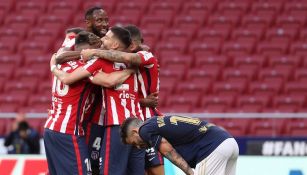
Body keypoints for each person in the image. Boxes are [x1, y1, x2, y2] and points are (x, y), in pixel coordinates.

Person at [51, 26, 146, 175]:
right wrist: (130, 70)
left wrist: (53, 67)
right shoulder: (140, 57)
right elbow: (110, 81)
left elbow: (62, 64)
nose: (102, 40)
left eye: (106, 38)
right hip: (135, 123)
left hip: (112, 125)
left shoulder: (89, 61)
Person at [81, 24, 164, 175]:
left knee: (115, 170)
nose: (102, 39)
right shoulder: (131, 62)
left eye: (106, 38)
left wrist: (93, 53)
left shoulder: (141, 57)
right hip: (138, 123)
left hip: (123, 123)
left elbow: (109, 80)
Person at [120, 115, 239, 175]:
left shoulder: (144, 130)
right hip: (228, 141)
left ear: (135, 131)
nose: (138, 147)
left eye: (135, 143)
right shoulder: (156, 121)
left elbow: (168, 151)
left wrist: (191, 173)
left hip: (211, 148)